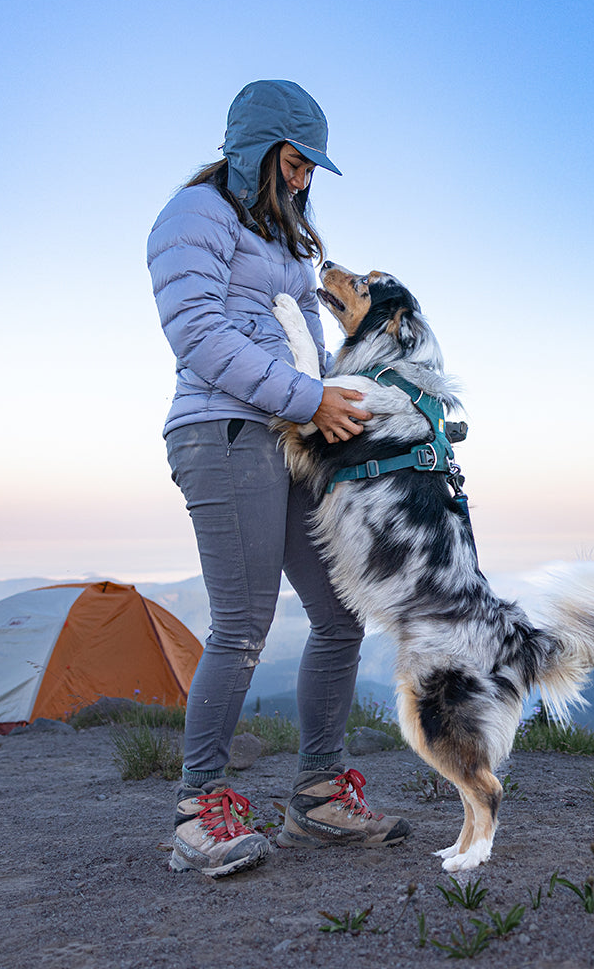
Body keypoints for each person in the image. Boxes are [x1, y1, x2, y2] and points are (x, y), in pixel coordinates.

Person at [146, 80, 411, 877]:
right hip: (224, 434)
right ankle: (199, 810)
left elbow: (307, 353)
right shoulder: (192, 218)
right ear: (257, 149)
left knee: (339, 615)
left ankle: (319, 798)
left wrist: (351, 411)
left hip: (293, 441)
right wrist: (309, 400)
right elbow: (197, 332)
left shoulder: (290, 239)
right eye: (295, 163)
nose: (303, 180)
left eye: (311, 170)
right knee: (243, 625)